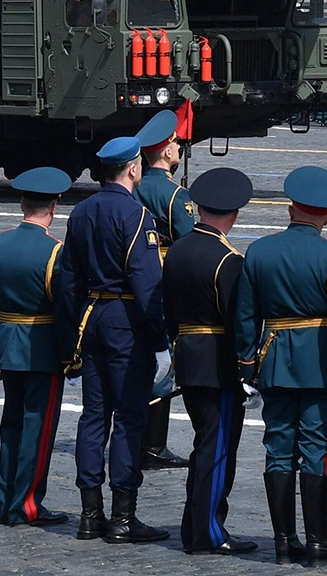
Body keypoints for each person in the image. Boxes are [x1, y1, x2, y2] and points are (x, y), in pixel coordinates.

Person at [234, 165, 327, 566]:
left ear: (290, 209)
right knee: (317, 450)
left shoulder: (260, 251)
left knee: (278, 449)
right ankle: (319, 543)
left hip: (275, 362)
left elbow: (246, 317)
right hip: (321, 365)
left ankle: (284, 541)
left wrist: (248, 367)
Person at [58, 134, 168, 544]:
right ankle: (123, 516)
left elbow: (69, 279)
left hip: (91, 317)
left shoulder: (81, 212)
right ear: (133, 168)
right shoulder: (137, 216)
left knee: (93, 416)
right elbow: (146, 282)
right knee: (128, 418)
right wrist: (157, 336)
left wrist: (76, 325)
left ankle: (90, 513)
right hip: (126, 321)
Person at [162, 166, 253, 555]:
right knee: (216, 452)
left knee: (204, 445)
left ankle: (195, 526)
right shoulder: (228, 260)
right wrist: (247, 368)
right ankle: (208, 532)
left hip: (187, 356)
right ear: (233, 214)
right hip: (219, 364)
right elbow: (237, 320)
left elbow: (167, 309)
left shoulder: (178, 248)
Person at [0, 166, 76, 527]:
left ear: (22, 203)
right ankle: (27, 504)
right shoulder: (56, 252)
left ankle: (6, 498)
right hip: (42, 348)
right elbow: (65, 309)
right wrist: (70, 356)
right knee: (37, 429)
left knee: (12, 425)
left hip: (9, 342)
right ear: (53, 208)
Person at [130, 108, 194, 472]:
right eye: (176, 144)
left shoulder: (136, 187)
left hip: (134, 275)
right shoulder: (173, 195)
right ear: (167, 152)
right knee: (163, 362)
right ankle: (153, 444)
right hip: (163, 277)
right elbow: (187, 241)